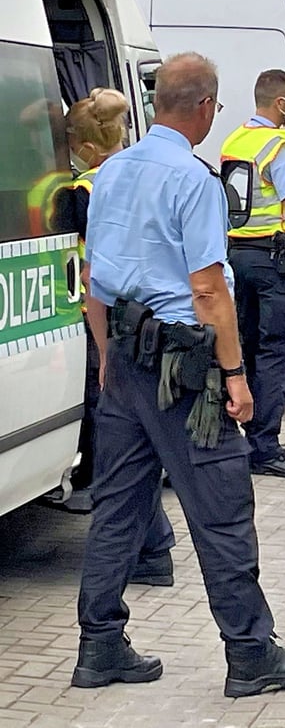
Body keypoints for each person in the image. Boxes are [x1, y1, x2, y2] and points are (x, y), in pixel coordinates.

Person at [73, 53, 285, 697]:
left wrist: (105, 356)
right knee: (222, 508)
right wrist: (236, 376)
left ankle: (99, 647)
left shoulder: (111, 172)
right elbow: (209, 289)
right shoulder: (194, 179)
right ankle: (250, 652)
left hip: (125, 361)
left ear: (157, 103)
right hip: (184, 373)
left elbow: (95, 280)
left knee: (118, 509)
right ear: (207, 107)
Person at [52, 87, 176, 586]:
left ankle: (150, 548)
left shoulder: (82, 192)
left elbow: (88, 271)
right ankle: (153, 549)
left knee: (115, 445)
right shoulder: (143, 173)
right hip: (147, 317)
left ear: (82, 143)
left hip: (98, 319)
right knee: (131, 441)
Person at [222, 69, 285, 477]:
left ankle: (237, 440)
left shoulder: (236, 140)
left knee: (242, 347)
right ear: (281, 103)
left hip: (237, 254)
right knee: (277, 353)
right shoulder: (279, 144)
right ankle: (265, 448)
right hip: (275, 259)